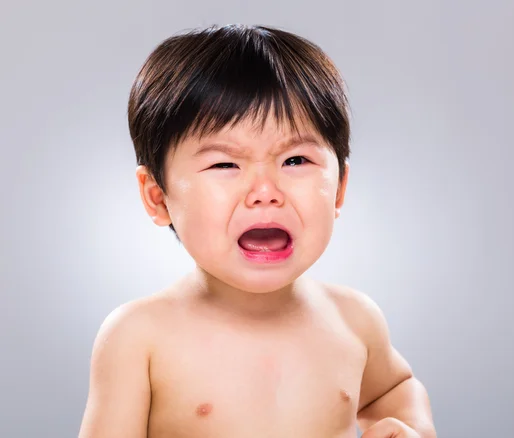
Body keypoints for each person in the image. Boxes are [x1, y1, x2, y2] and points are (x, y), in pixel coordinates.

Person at [78, 24, 436, 438]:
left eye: (296, 160)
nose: (265, 193)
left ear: (339, 189)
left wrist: (410, 426)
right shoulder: (139, 337)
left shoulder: (354, 319)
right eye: (225, 165)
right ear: (158, 197)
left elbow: (393, 389)